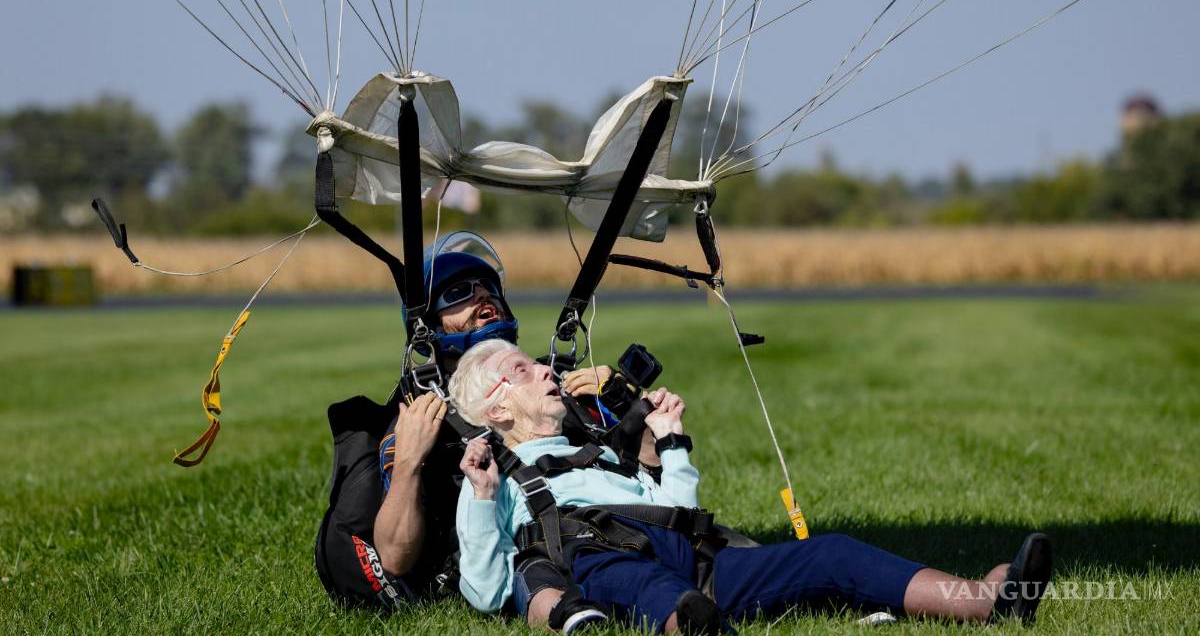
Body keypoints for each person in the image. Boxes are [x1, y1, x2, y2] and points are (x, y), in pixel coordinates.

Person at [451, 339, 1054, 634]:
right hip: (599, 562)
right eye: (522, 370)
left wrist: (671, 442)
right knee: (655, 589)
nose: (547, 370)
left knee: (834, 552)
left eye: (539, 362)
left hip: (691, 561)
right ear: (495, 410)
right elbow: (483, 588)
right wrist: (480, 498)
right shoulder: (494, 474)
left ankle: (986, 601)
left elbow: (678, 514)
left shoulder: (600, 451)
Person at [369, 232, 641, 630]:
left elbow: (653, 477)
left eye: (489, 289)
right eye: (460, 292)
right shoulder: (422, 417)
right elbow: (393, 558)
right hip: (532, 563)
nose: (483, 297)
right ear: (428, 326)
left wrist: (621, 401)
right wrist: (409, 460)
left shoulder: (553, 386)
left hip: (616, 537)